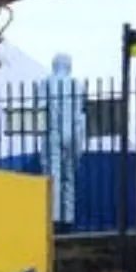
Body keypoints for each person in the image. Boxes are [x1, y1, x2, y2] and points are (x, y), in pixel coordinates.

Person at [39, 53, 86, 233]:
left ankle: (54, 217)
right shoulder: (76, 84)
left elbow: (41, 110)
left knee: (53, 175)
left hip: (52, 133)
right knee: (69, 176)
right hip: (72, 133)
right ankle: (68, 217)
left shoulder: (46, 83)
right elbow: (79, 115)